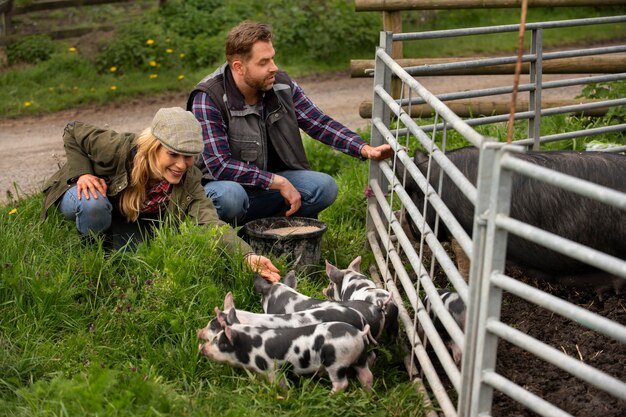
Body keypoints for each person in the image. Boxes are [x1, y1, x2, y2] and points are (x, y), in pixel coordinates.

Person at [40, 107, 281, 283]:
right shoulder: (118, 148)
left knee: (133, 265)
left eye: (188, 156)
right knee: (93, 204)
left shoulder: (189, 178)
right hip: (82, 192)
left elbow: (209, 222)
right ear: (154, 147)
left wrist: (247, 256)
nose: (181, 164)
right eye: (173, 154)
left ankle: (112, 246)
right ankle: (89, 261)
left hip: (129, 217)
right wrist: (82, 174)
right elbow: (73, 131)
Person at [187, 21, 392, 226]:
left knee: (324, 187)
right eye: (263, 62)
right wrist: (277, 182)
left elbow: (318, 122)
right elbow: (219, 165)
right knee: (230, 198)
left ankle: (269, 231)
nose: (273, 67)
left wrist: (363, 148)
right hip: (219, 186)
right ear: (239, 67)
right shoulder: (209, 97)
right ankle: (223, 236)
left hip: (264, 184)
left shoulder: (281, 85)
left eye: (273, 58)